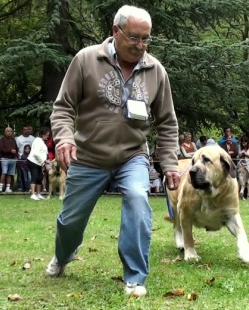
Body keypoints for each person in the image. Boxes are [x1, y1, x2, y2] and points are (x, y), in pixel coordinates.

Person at [46, 5, 180, 299]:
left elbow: (167, 122)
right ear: (115, 31)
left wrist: (170, 164)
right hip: (88, 155)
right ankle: (63, 255)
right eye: (134, 37)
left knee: (137, 198)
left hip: (132, 155)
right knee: (71, 221)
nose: (140, 45)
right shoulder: (86, 60)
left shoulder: (155, 70)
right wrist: (65, 139)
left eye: (146, 39)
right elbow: (63, 107)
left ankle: (134, 276)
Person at [27, 127, 50, 200]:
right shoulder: (37, 141)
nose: (47, 136)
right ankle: (33, 194)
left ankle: (38, 193)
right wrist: (44, 160)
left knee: (40, 177)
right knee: (35, 177)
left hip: (39, 163)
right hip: (33, 161)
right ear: (42, 134)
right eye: (47, 135)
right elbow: (36, 153)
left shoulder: (42, 141)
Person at [0, 127, 18, 193]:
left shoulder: (13, 140)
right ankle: (0, 187)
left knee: (10, 174)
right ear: (5, 132)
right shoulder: (2, 139)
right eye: (8, 131)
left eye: (10, 131)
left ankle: (8, 188)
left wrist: (16, 155)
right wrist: (10, 151)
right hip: (5, 158)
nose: (9, 132)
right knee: (4, 172)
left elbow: (16, 149)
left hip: (12, 159)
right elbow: (1, 149)